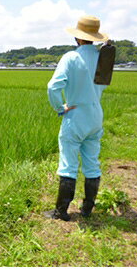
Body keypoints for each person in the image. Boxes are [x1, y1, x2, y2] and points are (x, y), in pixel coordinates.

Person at [44, 15, 110, 221]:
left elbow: (53, 87)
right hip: (95, 115)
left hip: (76, 115)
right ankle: (88, 208)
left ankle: (61, 211)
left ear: (78, 38)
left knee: (68, 163)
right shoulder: (103, 58)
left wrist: (60, 108)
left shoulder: (71, 57)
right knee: (92, 161)